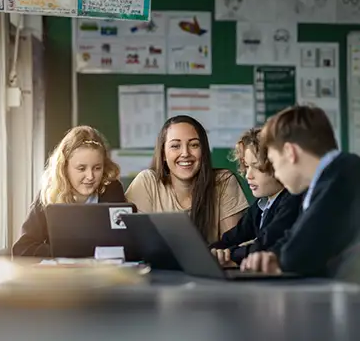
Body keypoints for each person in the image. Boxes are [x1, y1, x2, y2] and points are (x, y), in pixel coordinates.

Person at [240, 105, 360, 277]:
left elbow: (299, 252)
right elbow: (296, 235)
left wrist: (278, 259)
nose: (277, 173)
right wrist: (272, 256)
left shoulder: (342, 175)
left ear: (290, 152)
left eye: (273, 162)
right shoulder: (329, 178)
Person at [125, 115, 249, 244]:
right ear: (163, 154)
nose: (185, 153)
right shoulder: (147, 182)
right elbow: (133, 243)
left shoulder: (223, 181)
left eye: (194, 145)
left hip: (209, 264)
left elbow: (234, 246)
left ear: (203, 151)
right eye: (175, 146)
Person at [12, 125, 126, 257]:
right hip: (62, 275)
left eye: (97, 168)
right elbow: (22, 249)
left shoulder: (112, 190)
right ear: (64, 168)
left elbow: (123, 243)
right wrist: (67, 253)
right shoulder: (49, 194)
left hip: (101, 274)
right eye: (81, 168)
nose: (90, 176)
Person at [211, 128, 303, 266]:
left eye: (257, 167)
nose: (248, 175)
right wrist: (211, 252)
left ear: (277, 165)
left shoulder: (291, 200)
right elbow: (231, 238)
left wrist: (228, 254)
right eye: (247, 166)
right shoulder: (261, 204)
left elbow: (264, 245)